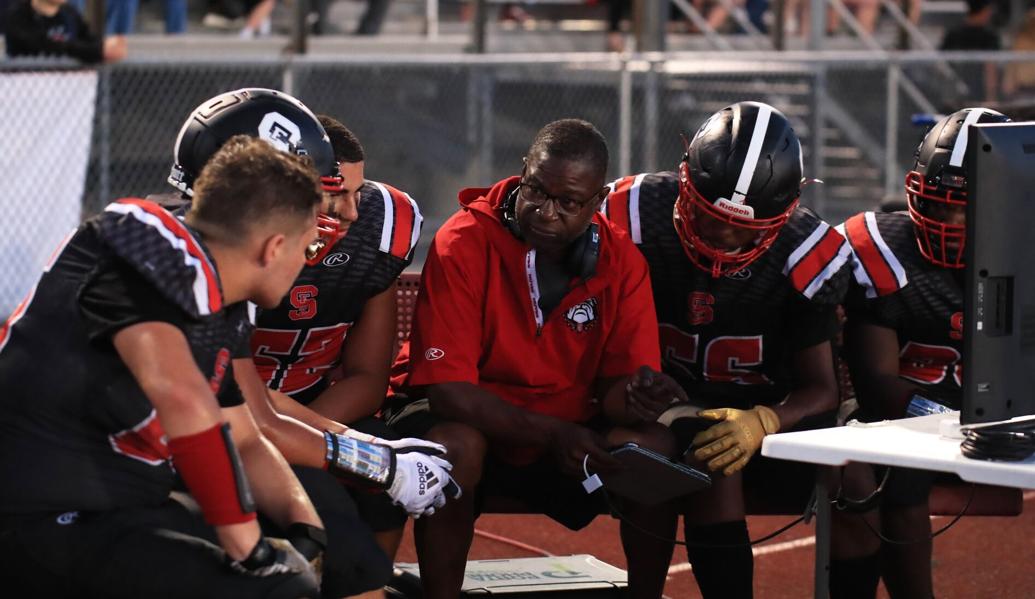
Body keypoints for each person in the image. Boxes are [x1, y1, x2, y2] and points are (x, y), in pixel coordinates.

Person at [157, 87, 460, 597]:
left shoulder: (197, 250)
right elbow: (251, 426)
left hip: (196, 445)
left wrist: (362, 458)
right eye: (319, 192)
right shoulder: (177, 266)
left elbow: (255, 420)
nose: (342, 215)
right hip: (103, 488)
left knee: (341, 557)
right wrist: (379, 465)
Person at [0, 135, 327, 598]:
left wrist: (307, 533)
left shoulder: (217, 311)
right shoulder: (146, 242)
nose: (305, 263)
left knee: (309, 555)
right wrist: (250, 549)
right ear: (274, 247)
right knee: (281, 587)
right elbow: (179, 395)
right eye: (308, 248)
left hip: (114, 508)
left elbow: (243, 439)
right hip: (39, 517)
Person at [386, 118, 686, 599]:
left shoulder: (621, 260)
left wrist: (635, 398)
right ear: (524, 170)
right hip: (474, 417)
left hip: (570, 428)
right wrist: (555, 434)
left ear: (597, 200)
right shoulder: (462, 240)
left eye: (568, 203)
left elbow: (614, 388)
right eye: (537, 191)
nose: (547, 213)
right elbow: (448, 393)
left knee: (650, 447)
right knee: (452, 446)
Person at [604, 101, 879, 599]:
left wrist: (764, 420)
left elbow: (822, 388)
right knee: (690, 456)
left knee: (852, 478)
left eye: (744, 228)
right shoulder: (635, 211)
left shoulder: (806, 252)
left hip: (766, 407)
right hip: (662, 403)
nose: (722, 235)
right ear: (684, 183)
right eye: (708, 216)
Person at [841, 107, 1010, 599]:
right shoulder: (883, 249)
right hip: (911, 418)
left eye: (968, 207)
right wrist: (940, 418)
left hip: (1008, 418)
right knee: (898, 473)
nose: (951, 222)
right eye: (940, 204)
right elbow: (876, 383)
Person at [247, 114, 421, 560]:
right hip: (233, 410)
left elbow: (367, 377)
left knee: (383, 473)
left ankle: (372, 578)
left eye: (358, 192)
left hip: (312, 402)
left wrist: (312, 436)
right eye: (336, 193)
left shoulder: (380, 230)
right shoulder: (230, 244)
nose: (352, 213)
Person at [5, 0, 126, 63]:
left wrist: (107, 46)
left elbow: (88, 38)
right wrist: (98, 51)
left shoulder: (70, 13)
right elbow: (45, 46)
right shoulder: (18, 16)